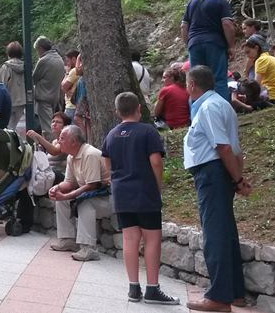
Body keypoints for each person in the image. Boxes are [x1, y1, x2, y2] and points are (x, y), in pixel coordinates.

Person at [183, 66, 251, 311]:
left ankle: (219, 297)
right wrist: (237, 177)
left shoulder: (208, 107)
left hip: (211, 172)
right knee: (226, 231)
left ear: (192, 85)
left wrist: (236, 179)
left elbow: (222, 147)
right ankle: (235, 292)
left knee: (215, 234)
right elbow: (235, 147)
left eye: (186, 85)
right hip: (220, 172)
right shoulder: (222, 104)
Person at [102, 92, 180, 305]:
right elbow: (155, 161)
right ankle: (152, 288)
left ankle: (133, 288)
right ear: (138, 108)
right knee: (152, 238)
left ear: (117, 112)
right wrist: (157, 186)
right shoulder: (148, 131)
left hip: (122, 194)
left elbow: (106, 162)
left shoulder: (111, 135)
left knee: (130, 238)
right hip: (145, 192)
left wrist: (116, 179)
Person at [48, 125, 113, 262]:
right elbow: (70, 182)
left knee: (84, 203)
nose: (59, 142)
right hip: (93, 194)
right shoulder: (71, 157)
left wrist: (67, 195)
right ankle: (67, 239)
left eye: (62, 138)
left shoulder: (90, 154)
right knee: (62, 200)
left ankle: (89, 248)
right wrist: (57, 188)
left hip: (108, 198)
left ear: (74, 142)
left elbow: (91, 186)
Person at [181, 0, 236, 101]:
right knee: (218, 78)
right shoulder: (220, 0)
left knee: (196, 80)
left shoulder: (192, 2)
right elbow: (227, 24)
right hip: (214, 43)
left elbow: (184, 27)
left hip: (194, 43)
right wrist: (231, 46)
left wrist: (188, 44)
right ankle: (221, 113)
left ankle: (197, 115)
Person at [32, 36, 66, 139]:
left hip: (44, 97)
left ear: (40, 48)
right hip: (55, 97)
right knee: (53, 125)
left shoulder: (44, 60)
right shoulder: (59, 59)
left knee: (47, 128)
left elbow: (34, 78)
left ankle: (52, 149)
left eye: (37, 50)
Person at [242, 35, 275, 103]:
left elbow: (255, 86)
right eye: (245, 53)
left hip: (273, 97)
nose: (247, 56)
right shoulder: (269, 57)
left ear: (256, 48)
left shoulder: (261, 60)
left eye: (248, 52)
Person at [26, 111, 70, 180]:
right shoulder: (54, 141)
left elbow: (54, 151)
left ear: (65, 126)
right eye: (53, 122)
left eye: (58, 122)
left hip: (60, 175)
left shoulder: (66, 140)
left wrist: (38, 137)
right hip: (49, 174)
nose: (54, 124)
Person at [0, 42, 26, 130]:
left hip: (8, 101)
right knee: (16, 126)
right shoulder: (25, 66)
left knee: (8, 127)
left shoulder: (5, 67)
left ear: (8, 53)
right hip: (22, 101)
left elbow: (1, 85)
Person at [154, 64, 191, 129]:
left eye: (165, 77)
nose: (162, 80)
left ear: (172, 78)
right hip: (186, 124)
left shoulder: (166, 90)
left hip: (171, 125)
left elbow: (156, 113)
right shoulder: (187, 90)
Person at [61, 50, 81, 120]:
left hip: (71, 106)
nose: (67, 64)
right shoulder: (78, 71)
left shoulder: (74, 71)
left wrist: (67, 73)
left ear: (73, 59)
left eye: (68, 61)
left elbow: (64, 86)